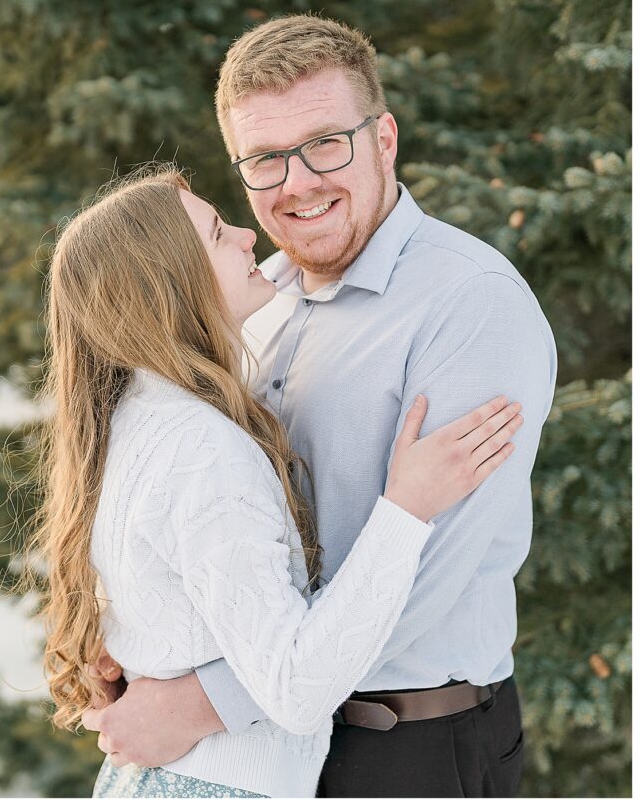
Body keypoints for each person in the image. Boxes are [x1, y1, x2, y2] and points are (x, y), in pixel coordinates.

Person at [80, 15, 557, 798]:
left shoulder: (472, 307)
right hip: (267, 754)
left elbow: (430, 570)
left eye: (325, 144)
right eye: (266, 160)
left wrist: (203, 703)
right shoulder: (250, 298)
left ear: (384, 139)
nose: (298, 183)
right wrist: (145, 643)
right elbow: (206, 521)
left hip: (408, 745)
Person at [35, 166, 525, 798]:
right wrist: (407, 507)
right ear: (170, 287)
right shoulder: (201, 447)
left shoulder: (137, 414)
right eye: (216, 234)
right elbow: (295, 689)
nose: (245, 235)